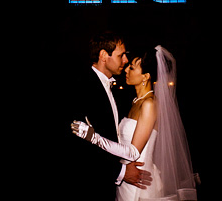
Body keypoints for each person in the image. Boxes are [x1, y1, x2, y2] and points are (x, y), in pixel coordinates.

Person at [72, 44, 197, 200]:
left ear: (145, 76)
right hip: (126, 180)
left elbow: (133, 152)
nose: (125, 70)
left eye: (131, 68)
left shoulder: (149, 105)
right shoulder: (135, 102)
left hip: (140, 181)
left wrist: (94, 138)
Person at [65, 31, 153, 200]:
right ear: (104, 55)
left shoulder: (123, 95)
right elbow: (77, 144)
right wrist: (120, 171)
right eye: (121, 55)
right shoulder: (80, 86)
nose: (126, 61)